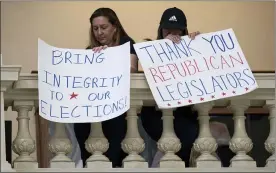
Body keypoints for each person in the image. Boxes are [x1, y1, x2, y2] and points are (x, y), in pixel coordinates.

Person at [74, 7, 138, 168]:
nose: (99, 32)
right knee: (81, 127)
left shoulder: (126, 43)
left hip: (117, 106)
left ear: (114, 27)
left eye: (103, 27)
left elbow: (132, 69)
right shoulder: (90, 50)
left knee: (115, 145)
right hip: (95, 105)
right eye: (95, 28)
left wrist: (108, 56)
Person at [140, 7, 201, 167]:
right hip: (155, 113)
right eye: (168, 30)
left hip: (183, 112)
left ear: (184, 31)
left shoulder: (190, 47)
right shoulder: (150, 48)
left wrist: (199, 45)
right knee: (185, 134)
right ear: (161, 30)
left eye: (177, 31)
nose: (173, 34)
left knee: (191, 133)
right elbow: (150, 75)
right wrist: (163, 48)